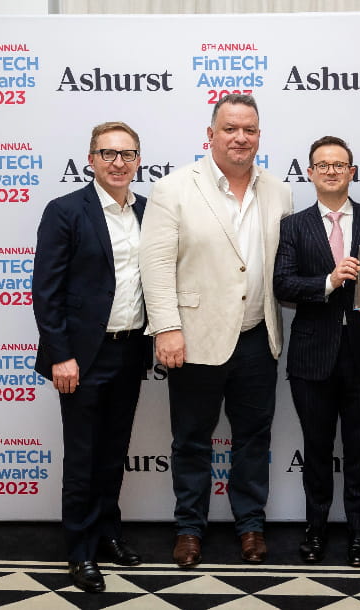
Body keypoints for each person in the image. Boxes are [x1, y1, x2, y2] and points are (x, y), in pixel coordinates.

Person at [139, 94, 293, 568]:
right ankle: (189, 529)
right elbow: (156, 266)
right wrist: (167, 328)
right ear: (211, 134)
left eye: (249, 129)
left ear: (259, 136)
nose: (240, 138)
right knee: (191, 439)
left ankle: (250, 526)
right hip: (194, 338)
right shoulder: (173, 188)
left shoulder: (279, 191)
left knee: (254, 439)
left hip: (257, 337)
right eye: (230, 129)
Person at [32, 121, 150, 593]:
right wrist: (60, 356)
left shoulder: (147, 210)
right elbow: (47, 292)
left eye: (127, 154)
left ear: (138, 160)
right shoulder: (65, 211)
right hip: (81, 359)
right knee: (82, 457)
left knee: (113, 453)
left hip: (131, 350)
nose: (118, 162)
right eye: (108, 153)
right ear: (91, 159)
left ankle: (107, 534)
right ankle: (79, 551)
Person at [274, 136, 360, 567]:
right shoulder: (293, 225)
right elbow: (283, 284)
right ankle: (316, 528)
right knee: (317, 450)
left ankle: (359, 532)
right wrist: (329, 280)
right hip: (312, 357)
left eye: (339, 165)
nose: (331, 171)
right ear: (309, 173)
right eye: (322, 165)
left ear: (352, 172)